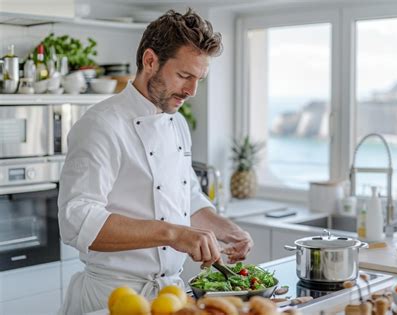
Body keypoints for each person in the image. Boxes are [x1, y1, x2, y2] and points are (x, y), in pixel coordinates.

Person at [58, 9, 253, 314]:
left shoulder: (176, 124)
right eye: (184, 76)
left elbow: (184, 197)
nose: (191, 91)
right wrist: (174, 234)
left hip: (170, 297)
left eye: (198, 79)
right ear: (150, 61)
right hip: (114, 297)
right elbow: (76, 220)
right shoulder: (100, 125)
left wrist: (225, 229)